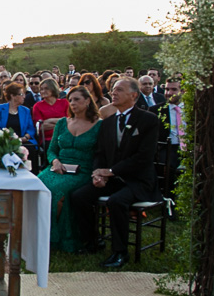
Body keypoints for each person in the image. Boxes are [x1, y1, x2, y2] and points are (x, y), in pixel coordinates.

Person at [66, 77, 161, 268]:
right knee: (79, 196)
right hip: (112, 179)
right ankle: (92, 240)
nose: (113, 93)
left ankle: (120, 252)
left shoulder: (148, 120)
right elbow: (100, 153)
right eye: (113, 90)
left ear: (133, 95)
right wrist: (97, 174)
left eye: (119, 90)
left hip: (138, 180)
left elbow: (144, 157)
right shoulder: (108, 122)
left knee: (116, 201)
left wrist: (110, 171)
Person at [38, 87, 102, 252]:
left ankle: (58, 237)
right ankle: (39, 233)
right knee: (37, 184)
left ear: (88, 101)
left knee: (58, 191)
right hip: (59, 167)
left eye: (77, 99)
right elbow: (52, 150)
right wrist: (55, 161)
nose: (72, 103)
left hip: (83, 170)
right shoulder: (62, 123)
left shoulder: (99, 125)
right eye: (70, 100)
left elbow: (101, 153)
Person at [0, 83, 38, 168]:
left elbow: (31, 128)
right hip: (5, 141)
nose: (24, 97)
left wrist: (25, 137)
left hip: (23, 140)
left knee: (30, 149)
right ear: (12, 96)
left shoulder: (26, 110)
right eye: (21, 94)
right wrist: (4, 137)